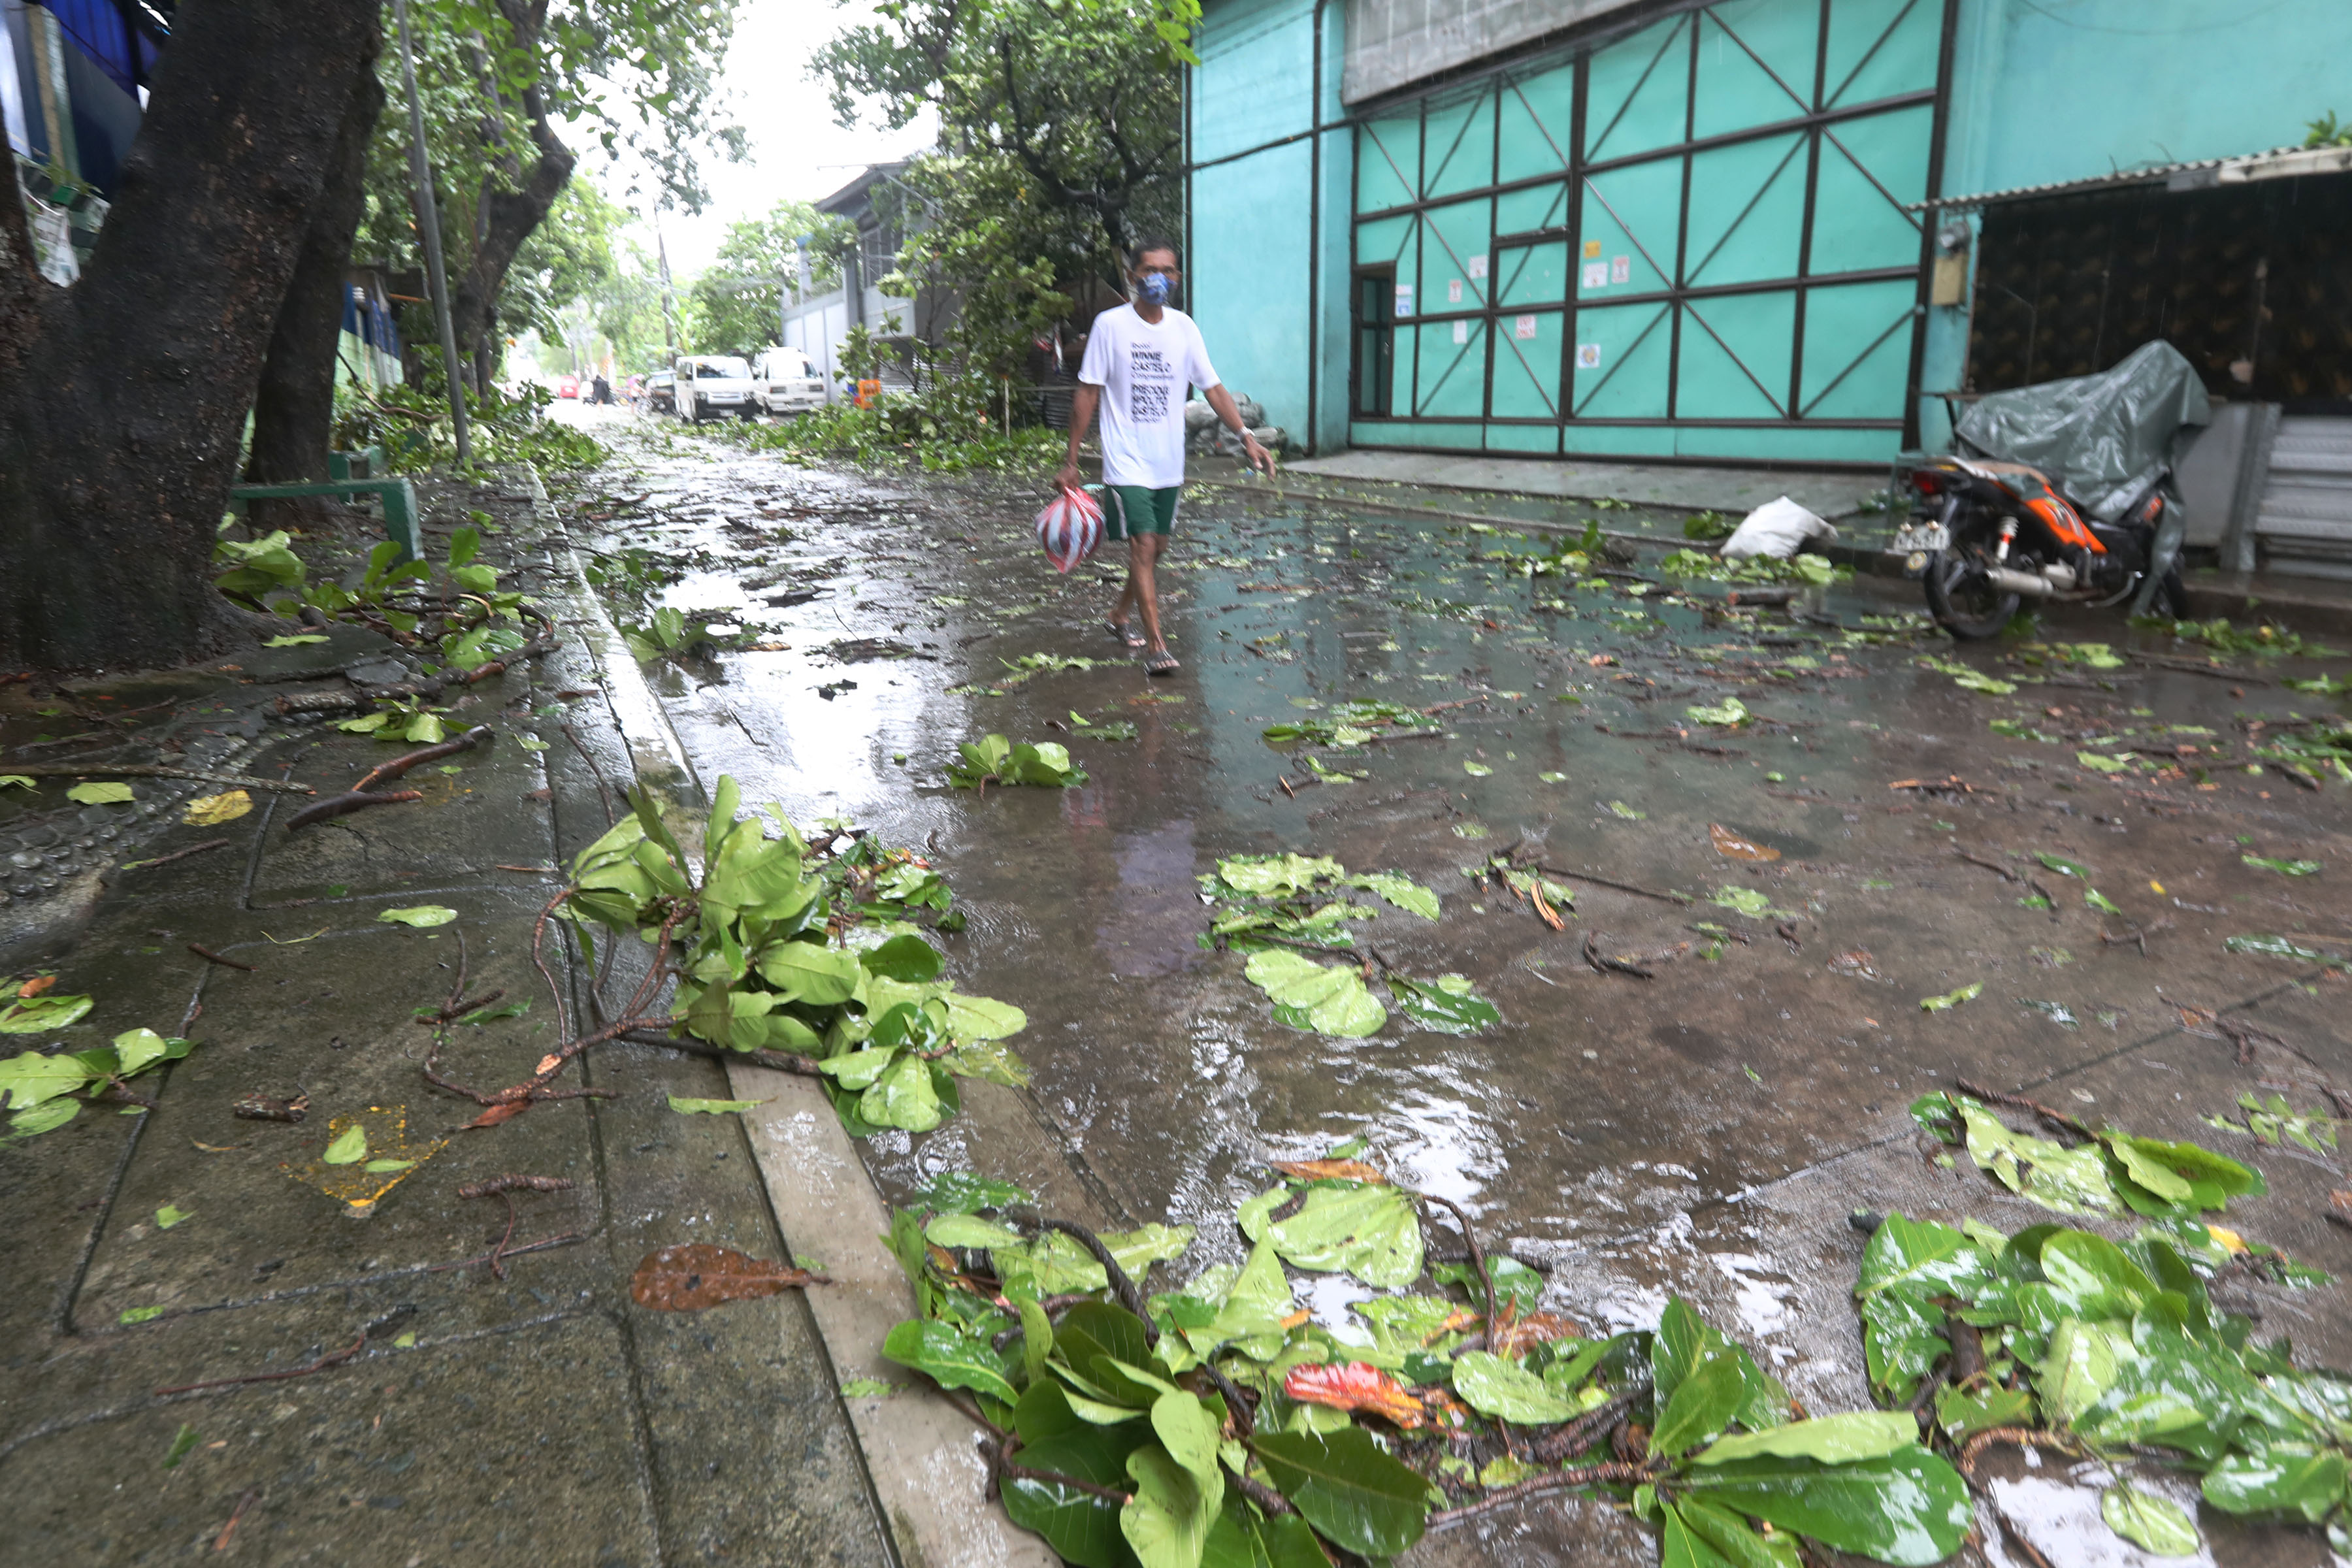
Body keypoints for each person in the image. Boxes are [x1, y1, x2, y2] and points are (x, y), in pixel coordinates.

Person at [1058, 237, 1271, 676]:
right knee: (1144, 544)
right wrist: (1072, 459)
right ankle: (1157, 644)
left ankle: (1119, 616)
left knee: (1158, 550)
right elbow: (1088, 392)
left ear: (1178, 278)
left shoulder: (1184, 328)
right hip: (1126, 461)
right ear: (1134, 276)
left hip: (1167, 464)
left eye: (1168, 271)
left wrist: (1246, 436)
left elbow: (1213, 388)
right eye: (1149, 270)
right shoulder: (1110, 326)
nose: (1159, 278)